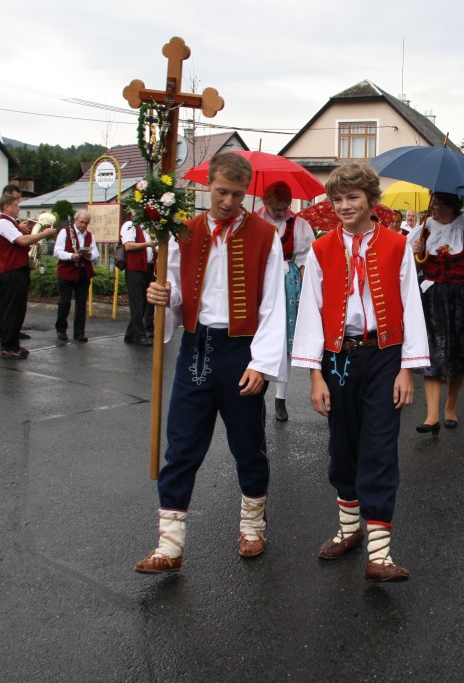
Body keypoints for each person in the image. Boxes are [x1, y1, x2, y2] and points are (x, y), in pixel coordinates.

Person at [134, 151, 286, 575]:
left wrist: (262, 363)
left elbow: (273, 305)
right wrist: (163, 296)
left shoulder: (264, 235)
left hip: (241, 351)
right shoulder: (184, 230)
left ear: (246, 192)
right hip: (196, 348)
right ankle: (169, 544)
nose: (228, 201)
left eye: (237, 194)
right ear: (209, 186)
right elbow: (179, 292)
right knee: (182, 446)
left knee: (246, 445)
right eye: (221, 192)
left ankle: (253, 526)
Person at [292, 161, 428, 582]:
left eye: (352, 197)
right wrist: (315, 374)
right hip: (338, 358)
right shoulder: (319, 249)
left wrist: (408, 368)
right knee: (343, 447)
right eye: (337, 199)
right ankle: (349, 530)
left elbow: (412, 307)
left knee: (379, 448)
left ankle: (380, 554)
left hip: (384, 355)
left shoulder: (397, 245)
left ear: (372, 201)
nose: (344, 205)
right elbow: (311, 313)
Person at [408, 191, 464, 433]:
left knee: (457, 353)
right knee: (432, 353)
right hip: (432, 298)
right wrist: (418, 253)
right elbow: (413, 269)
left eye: (438, 205)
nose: (433, 208)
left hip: (462, 298)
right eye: (433, 204)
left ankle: (450, 407)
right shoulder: (423, 230)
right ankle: (431, 416)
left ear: (452, 207)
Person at [255, 180, 315, 422]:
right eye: (276, 208)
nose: (281, 213)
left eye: (285, 208)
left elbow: (304, 259)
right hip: (260, 279)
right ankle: (257, 393)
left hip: (288, 282)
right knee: (259, 337)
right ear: (265, 203)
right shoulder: (253, 221)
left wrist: (305, 291)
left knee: (285, 341)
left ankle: (280, 398)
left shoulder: (298, 225)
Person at [0, 193, 55, 359]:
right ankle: (8, 346)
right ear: (7, 207)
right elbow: (21, 241)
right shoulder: (3, 222)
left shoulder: (11, 222)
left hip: (18, 269)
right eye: (16, 206)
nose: (19, 208)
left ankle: (14, 344)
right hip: (11, 271)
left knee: (18, 309)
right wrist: (44, 233)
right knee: (12, 309)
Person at [0, 184, 29, 342]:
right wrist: (18, 228)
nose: (18, 204)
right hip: (4, 259)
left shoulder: (10, 217)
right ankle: (3, 332)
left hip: (15, 260)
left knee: (16, 302)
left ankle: (13, 331)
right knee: (5, 299)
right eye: (16, 200)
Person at [54, 211, 98, 342]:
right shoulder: (65, 232)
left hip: (83, 272)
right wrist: (71, 256)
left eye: (86, 223)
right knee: (65, 302)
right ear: (76, 220)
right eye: (81, 222)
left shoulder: (90, 236)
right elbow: (57, 251)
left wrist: (90, 255)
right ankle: (61, 329)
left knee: (81, 304)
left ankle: (79, 332)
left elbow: (96, 255)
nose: (83, 225)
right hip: (67, 271)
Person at [121, 216, 157, 346]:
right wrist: (147, 244)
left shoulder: (149, 229)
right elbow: (128, 246)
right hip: (135, 268)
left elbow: (154, 248)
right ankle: (139, 335)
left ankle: (130, 334)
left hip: (149, 268)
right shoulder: (130, 225)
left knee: (145, 302)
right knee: (138, 303)